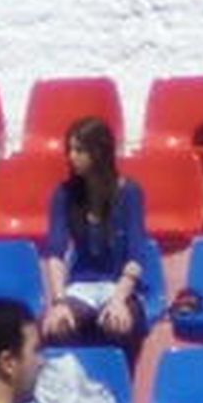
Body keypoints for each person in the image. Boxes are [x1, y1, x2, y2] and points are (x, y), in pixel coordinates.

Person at [42, 116, 151, 367]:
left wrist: (118, 299)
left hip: (119, 284)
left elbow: (136, 255)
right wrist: (58, 302)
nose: (71, 156)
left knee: (118, 323)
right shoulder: (64, 194)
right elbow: (56, 253)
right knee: (56, 326)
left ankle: (119, 392)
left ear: (99, 152)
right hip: (82, 286)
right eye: (69, 149)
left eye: (79, 150)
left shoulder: (129, 192)